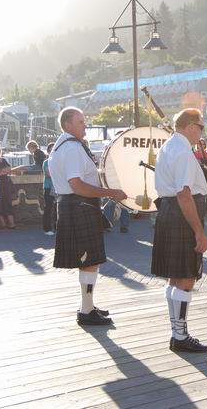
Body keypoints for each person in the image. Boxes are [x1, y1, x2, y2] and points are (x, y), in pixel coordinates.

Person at [49, 107, 127, 326]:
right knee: (90, 261)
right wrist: (112, 192)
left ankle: (88, 305)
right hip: (80, 206)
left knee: (89, 261)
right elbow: (78, 185)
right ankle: (86, 310)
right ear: (67, 125)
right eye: (81, 121)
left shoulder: (61, 146)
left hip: (74, 206)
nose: (85, 125)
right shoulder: (72, 148)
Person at [150, 108, 207, 352]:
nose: (202, 131)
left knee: (174, 277)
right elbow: (184, 194)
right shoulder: (183, 152)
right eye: (201, 127)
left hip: (168, 211)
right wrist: (199, 231)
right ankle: (181, 336)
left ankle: (177, 332)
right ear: (190, 126)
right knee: (186, 277)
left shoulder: (169, 146)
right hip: (182, 213)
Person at [42, 142, 56, 236]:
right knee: (48, 208)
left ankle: (57, 227)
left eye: (54, 149)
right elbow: (48, 174)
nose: (52, 151)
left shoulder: (60, 161)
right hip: (48, 188)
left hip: (59, 187)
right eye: (50, 150)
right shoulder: (46, 162)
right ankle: (47, 228)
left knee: (58, 209)